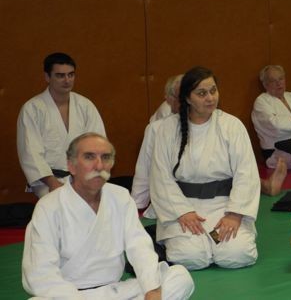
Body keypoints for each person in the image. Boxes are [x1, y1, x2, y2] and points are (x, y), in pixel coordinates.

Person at [22, 133, 194, 299]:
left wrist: (152, 289)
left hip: (114, 291)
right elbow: (40, 272)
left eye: (105, 157)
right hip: (70, 294)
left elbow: (140, 246)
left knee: (180, 277)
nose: (99, 166)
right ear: (71, 166)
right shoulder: (49, 206)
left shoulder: (120, 196)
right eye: (89, 157)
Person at [151, 66, 260, 270]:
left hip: (224, 206)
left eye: (213, 91)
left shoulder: (232, 126)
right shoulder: (167, 129)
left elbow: (247, 174)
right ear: (187, 98)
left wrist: (235, 214)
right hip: (184, 207)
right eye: (201, 93)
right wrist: (182, 212)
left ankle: (214, 241)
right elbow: (161, 177)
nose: (210, 98)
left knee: (235, 255)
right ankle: (199, 243)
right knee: (191, 257)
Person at [17, 52, 106, 198]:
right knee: (62, 204)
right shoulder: (32, 109)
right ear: (47, 77)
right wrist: (52, 182)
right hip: (48, 180)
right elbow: (30, 153)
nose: (67, 80)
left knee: (106, 201)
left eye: (71, 75)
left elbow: (98, 145)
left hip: (84, 176)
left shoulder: (85, 106)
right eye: (60, 75)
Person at [132, 75, 183, 216]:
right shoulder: (157, 128)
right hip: (168, 204)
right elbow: (144, 171)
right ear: (168, 99)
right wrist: (137, 208)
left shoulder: (224, 125)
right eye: (180, 97)